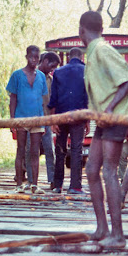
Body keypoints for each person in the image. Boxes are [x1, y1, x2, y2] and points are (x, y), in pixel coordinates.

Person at [80, 11, 128, 249]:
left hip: (114, 116)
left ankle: (118, 234)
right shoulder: (94, 51)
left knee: (108, 170)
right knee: (91, 169)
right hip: (104, 119)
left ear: (81, 31)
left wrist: (109, 107)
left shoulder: (102, 49)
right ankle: (101, 228)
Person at [7, 45, 48, 194]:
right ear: (26, 57)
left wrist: (43, 120)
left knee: (35, 151)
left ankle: (35, 185)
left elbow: (42, 100)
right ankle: (19, 184)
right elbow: (13, 99)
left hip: (37, 118)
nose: (34, 60)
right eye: (31, 57)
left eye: (37, 57)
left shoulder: (41, 77)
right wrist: (12, 121)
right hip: (20, 118)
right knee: (21, 150)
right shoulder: (17, 75)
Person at [48, 47, 89, 194]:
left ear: (69, 57)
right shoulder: (86, 71)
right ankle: (75, 186)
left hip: (61, 116)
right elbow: (87, 97)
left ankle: (58, 185)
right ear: (81, 57)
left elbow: (53, 99)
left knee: (60, 150)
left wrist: (53, 121)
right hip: (78, 116)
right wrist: (87, 121)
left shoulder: (58, 72)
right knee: (76, 150)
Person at [36, 51, 60, 187]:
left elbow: (52, 102)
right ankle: (29, 180)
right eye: (52, 66)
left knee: (49, 151)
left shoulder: (50, 80)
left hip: (46, 121)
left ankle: (52, 180)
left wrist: (52, 121)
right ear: (45, 61)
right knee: (30, 151)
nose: (53, 69)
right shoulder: (29, 76)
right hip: (31, 120)